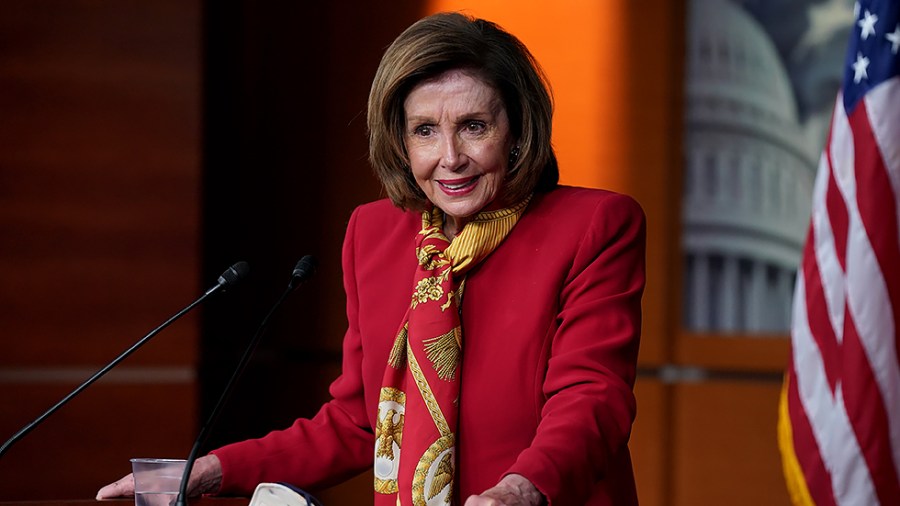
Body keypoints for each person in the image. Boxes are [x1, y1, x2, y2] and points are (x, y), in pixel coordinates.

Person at [98, 12, 645, 506]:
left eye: (475, 126)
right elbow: (361, 422)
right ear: (401, 144)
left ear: (519, 131)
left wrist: (521, 491)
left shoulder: (593, 225)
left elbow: (591, 397)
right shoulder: (374, 233)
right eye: (425, 131)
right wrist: (210, 470)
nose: (450, 157)